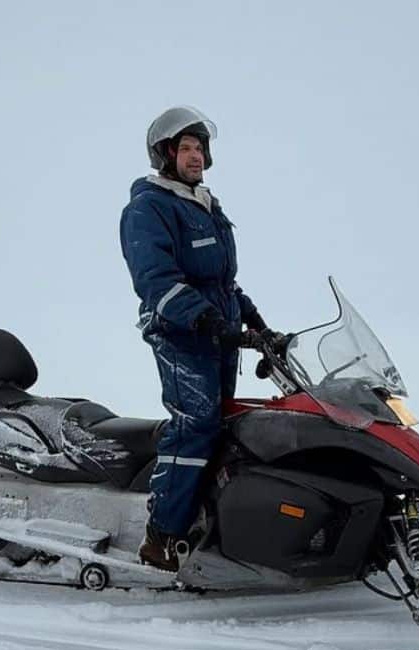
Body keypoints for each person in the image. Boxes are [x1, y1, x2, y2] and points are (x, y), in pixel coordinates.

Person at [119, 106, 274, 572]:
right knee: (197, 425)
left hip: (216, 334)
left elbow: (222, 283)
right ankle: (161, 536)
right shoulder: (148, 207)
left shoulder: (206, 205)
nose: (196, 156)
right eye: (186, 148)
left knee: (228, 426)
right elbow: (156, 281)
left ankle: (210, 520)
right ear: (166, 155)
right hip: (180, 334)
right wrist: (204, 320)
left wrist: (256, 323)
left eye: (200, 148)